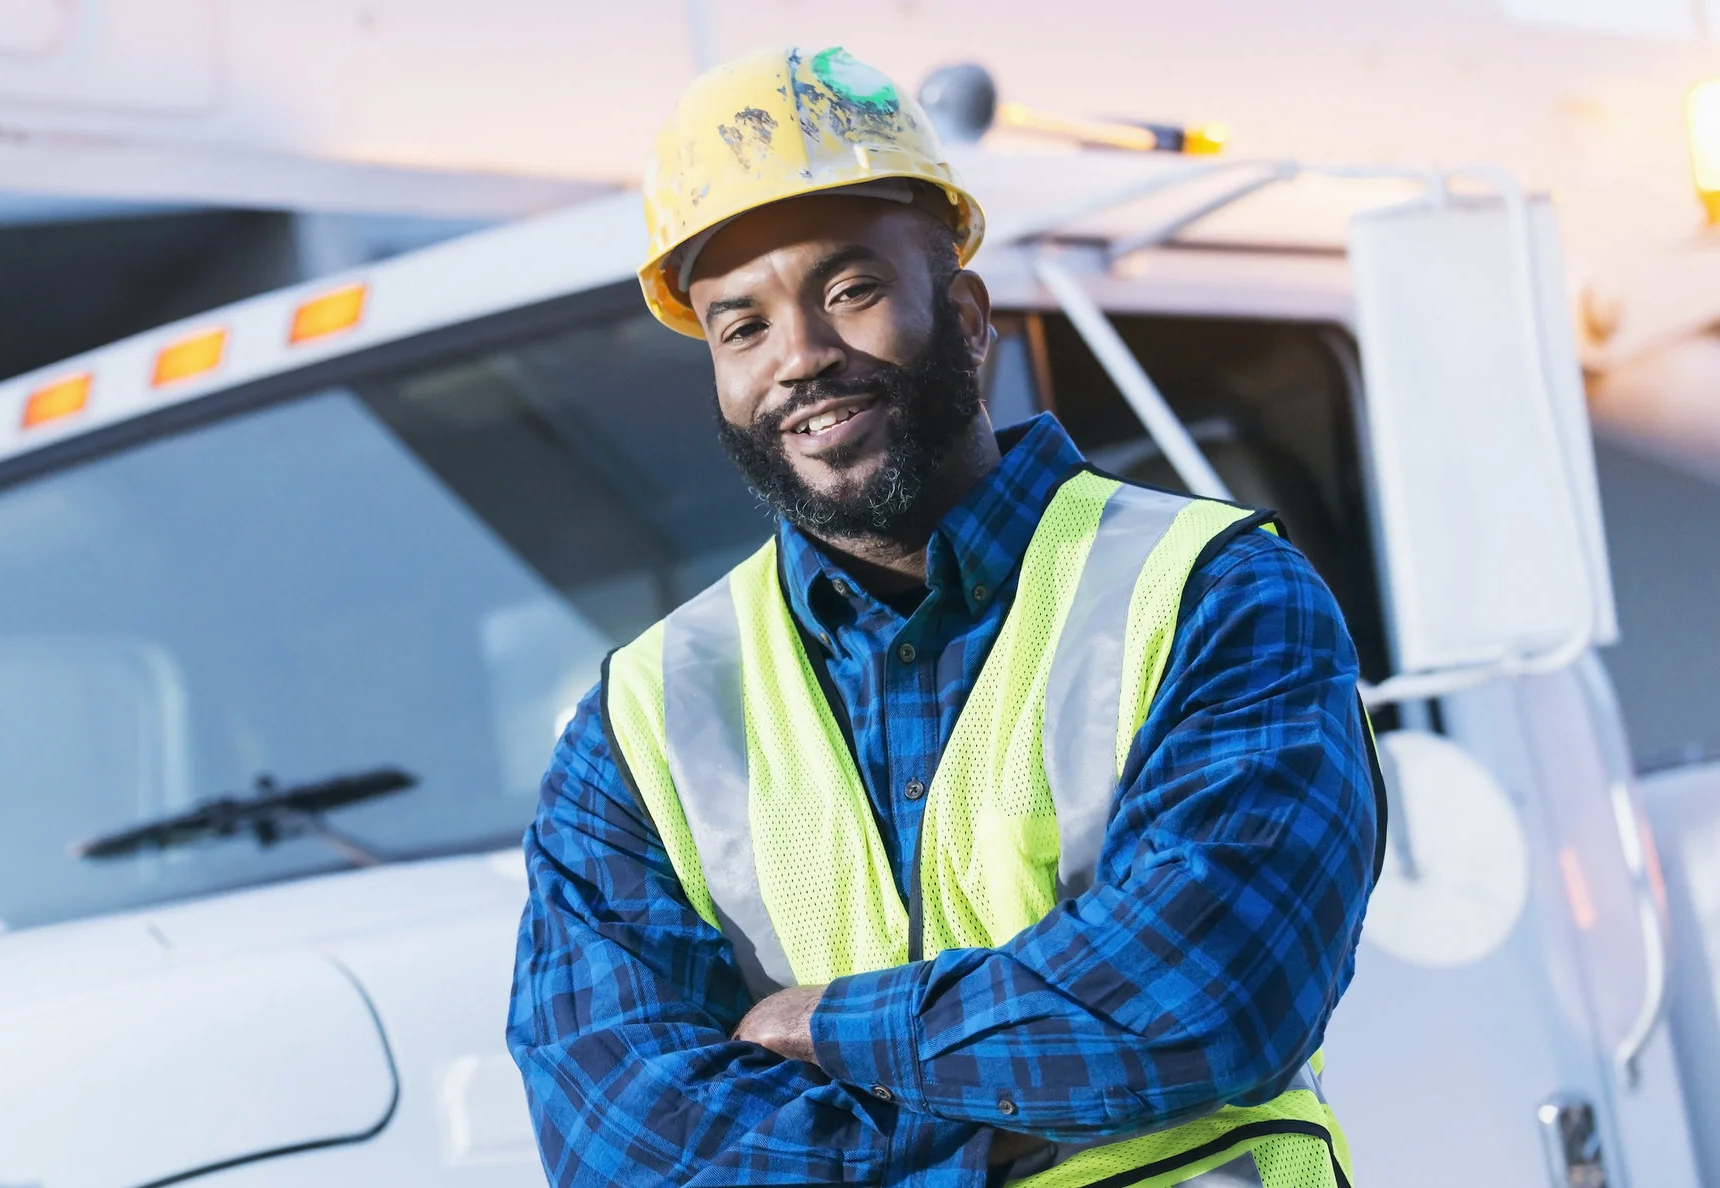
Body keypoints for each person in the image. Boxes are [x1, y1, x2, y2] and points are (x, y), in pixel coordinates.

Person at [505, 45, 1380, 1188]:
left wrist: (824, 1030)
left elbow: (1206, 993)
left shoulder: (1213, 593)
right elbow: (623, 1143)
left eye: (849, 291)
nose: (800, 360)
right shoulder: (637, 725)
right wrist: (1005, 1126)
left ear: (966, 316)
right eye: (742, 327)